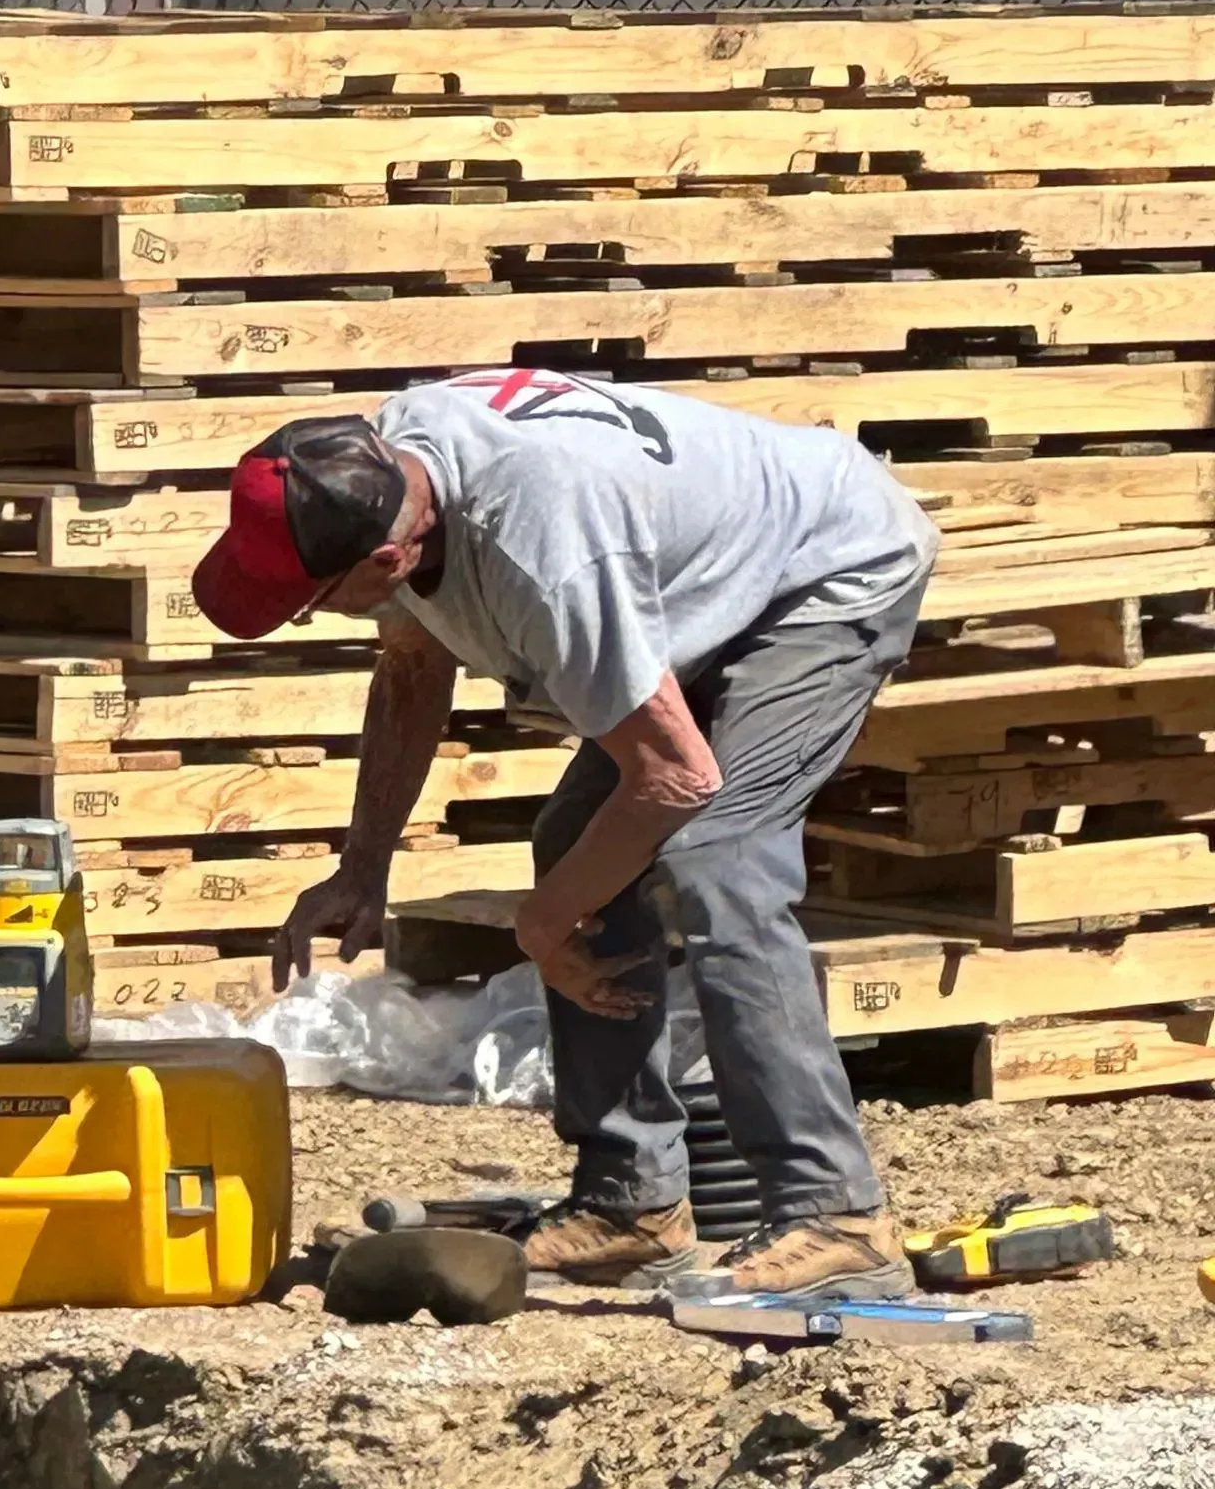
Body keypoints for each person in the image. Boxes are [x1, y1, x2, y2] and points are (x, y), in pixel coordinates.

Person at [187, 366, 939, 1301]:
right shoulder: (371, 469)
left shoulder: (546, 552)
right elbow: (414, 667)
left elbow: (678, 779)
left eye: (313, 600)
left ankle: (837, 1213)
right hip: (701, 571)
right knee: (578, 841)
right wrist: (363, 867)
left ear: (384, 559)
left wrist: (545, 925)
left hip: (825, 569)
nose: (318, 615)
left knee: (720, 858)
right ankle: (631, 1205)